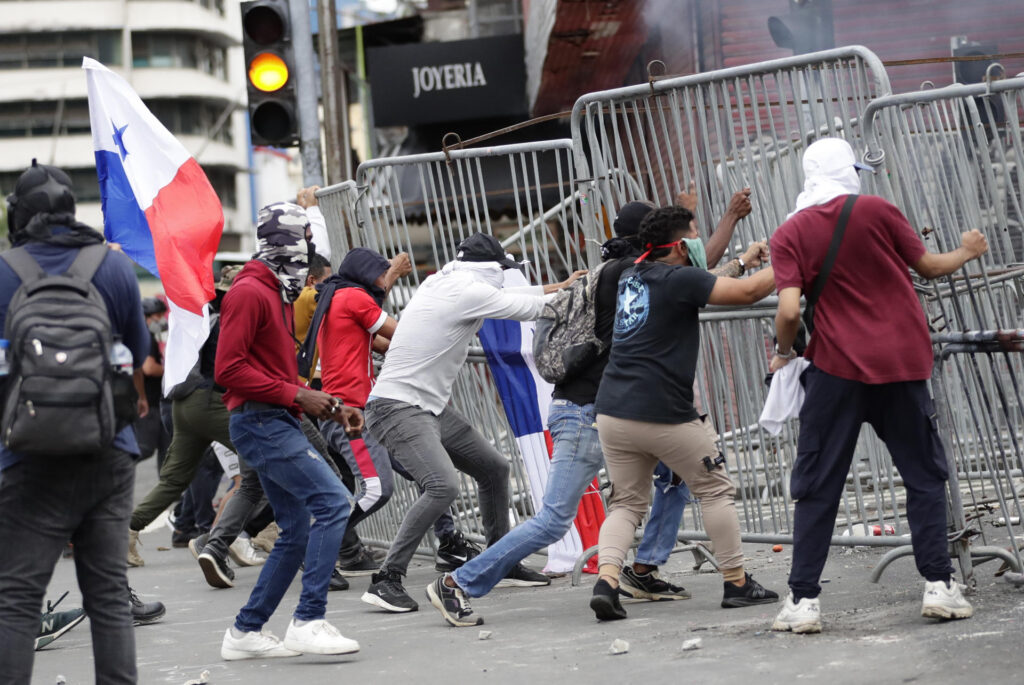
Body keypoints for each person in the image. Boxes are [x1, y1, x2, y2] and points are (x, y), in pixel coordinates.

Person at [425, 203, 768, 626]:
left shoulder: (623, 271)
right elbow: (702, 280)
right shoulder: (631, 274)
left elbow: (696, 277)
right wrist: (742, 258)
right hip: (587, 409)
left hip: (614, 409)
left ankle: (641, 572)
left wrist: (738, 257)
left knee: (674, 480)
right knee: (554, 519)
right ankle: (457, 582)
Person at [768, 138, 988, 634]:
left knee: (819, 485)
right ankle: (938, 585)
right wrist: (969, 251)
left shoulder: (790, 233)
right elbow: (928, 267)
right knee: (923, 475)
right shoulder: (879, 210)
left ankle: (803, 601)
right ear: (848, 171)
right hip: (902, 364)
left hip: (835, 370)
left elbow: (787, 311)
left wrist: (785, 351)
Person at [362, 233, 583, 613]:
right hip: (397, 407)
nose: (506, 276)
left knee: (494, 470)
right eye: (503, 270)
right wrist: (585, 291)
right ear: (489, 269)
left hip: (427, 406)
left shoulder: (446, 279)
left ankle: (502, 561)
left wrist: (560, 285)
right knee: (441, 486)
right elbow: (528, 308)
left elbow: (518, 295)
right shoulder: (469, 292)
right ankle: (387, 579)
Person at [588, 205, 780, 620]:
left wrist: (743, 259)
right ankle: (737, 582)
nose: (699, 240)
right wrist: (798, 259)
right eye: (695, 234)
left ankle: (607, 582)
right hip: (661, 412)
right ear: (679, 246)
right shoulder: (679, 279)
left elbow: (708, 280)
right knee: (714, 489)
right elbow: (746, 293)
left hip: (613, 412)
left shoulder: (633, 273)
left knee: (626, 504)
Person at [0, 160, 149, 682]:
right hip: (107, 449)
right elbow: (141, 349)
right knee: (107, 595)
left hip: (25, 454)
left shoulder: (2, 270)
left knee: (17, 598)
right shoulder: (108, 267)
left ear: (18, 214)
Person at [215, 201, 364, 660]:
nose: (306, 258)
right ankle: (308, 620)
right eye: (301, 246)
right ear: (281, 246)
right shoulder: (250, 292)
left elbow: (269, 370)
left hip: (274, 418)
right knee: (334, 501)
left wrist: (328, 406)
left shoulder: (274, 290)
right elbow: (228, 369)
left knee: (297, 526)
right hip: (261, 422)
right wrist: (299, 396)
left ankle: (245, 632)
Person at [136, 297, 170, 468]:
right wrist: (171, 371)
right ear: (145, 317)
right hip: (150, 403)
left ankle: (170, 493)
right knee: (145, 448)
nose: (161, 319)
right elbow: (148, 368)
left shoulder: (148, 336)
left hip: (157, 401)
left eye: (161, 314)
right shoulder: (147, 337)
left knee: (167, 451)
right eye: (156, 315)